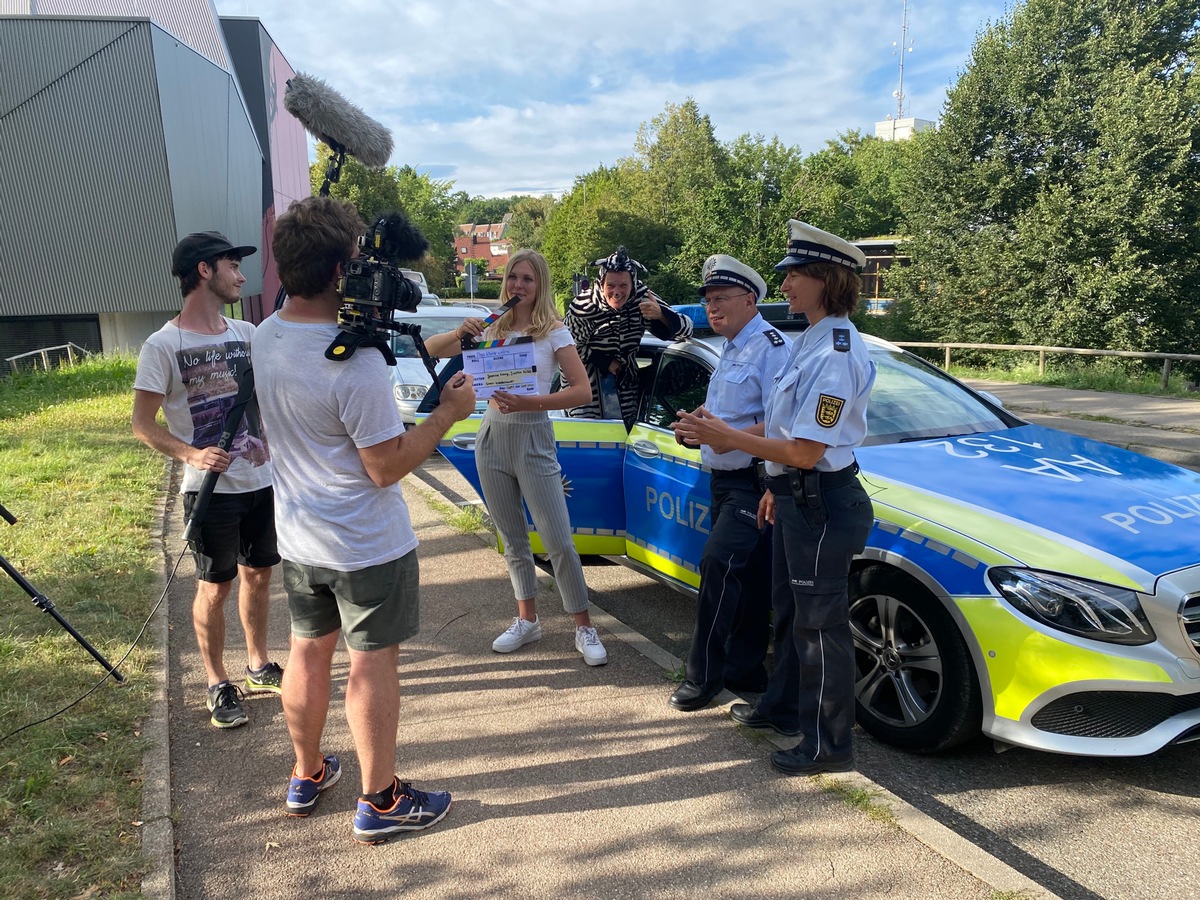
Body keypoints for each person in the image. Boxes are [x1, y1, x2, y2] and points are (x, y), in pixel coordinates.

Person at [251, 196, 477, 842]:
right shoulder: (356, 363)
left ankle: (306, 771)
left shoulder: (266, 335)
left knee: (306, 653)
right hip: (365, 546)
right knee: (372, 665)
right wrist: (445, 416)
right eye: (355, 260)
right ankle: (380, 800)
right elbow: (385, 465)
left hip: (300, 538)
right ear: (335, 272)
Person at [674, 220, 876, 776]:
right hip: (795, 495)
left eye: (795, 276)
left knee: (819, 629)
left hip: (822, 500)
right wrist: (772, 480)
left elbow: (809, 450)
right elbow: (788, 441)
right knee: (791, 614)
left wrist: (728, 439)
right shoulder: (810, 340)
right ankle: (784, 708)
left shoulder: (833, 351)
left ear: (826, 280)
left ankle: (827, 745)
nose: (784, 286)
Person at [424, 249, 609, 666]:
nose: (518, 286)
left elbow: (581, 391)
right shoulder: (492, 326)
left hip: (534, 435)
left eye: (527, 279)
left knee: (559, 539)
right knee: (511, 538)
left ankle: (584, 625)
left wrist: (531, 403)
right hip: (491, 435)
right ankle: (528, 619)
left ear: (540, 285)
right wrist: (459, 332)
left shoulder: (554, 331)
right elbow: (433, 350)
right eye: (512, 278)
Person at [132, 231, 282, 730]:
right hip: (209, 491)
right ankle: (217, 681)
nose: (241, 275)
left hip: (260, 480)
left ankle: (258, 664)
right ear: (204, 270)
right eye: (232, 265)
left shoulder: (247, 334)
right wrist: (192, 453)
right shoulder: (163, 345)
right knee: (214, 587)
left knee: (259, 576)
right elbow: (143, 425)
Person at [668, 255, 792, 713]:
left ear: (750, 300)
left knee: (718, 566)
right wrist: (696, 425)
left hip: (755, 479)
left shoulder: (771, 347)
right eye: (708, 301)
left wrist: (727, 438)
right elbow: (732, 414)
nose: (712, 308)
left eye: (721, 299)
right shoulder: (733, 346)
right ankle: (746, 670)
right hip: (725, 481)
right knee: (750, 578)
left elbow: (784, 424)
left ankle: (703, 677)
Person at [564, 246, 693, 426]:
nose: (617, 292)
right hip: (586, 387)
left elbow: (687, 329)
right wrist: (605, 362)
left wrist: (661, 315)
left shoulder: (642, 299)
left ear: (632, 284)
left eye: (623, 285)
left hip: (625, 386)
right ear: (602, 284)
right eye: (611, 285)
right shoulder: (584, 306)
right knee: (592, 441)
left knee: (626, 441)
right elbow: (566, 348)